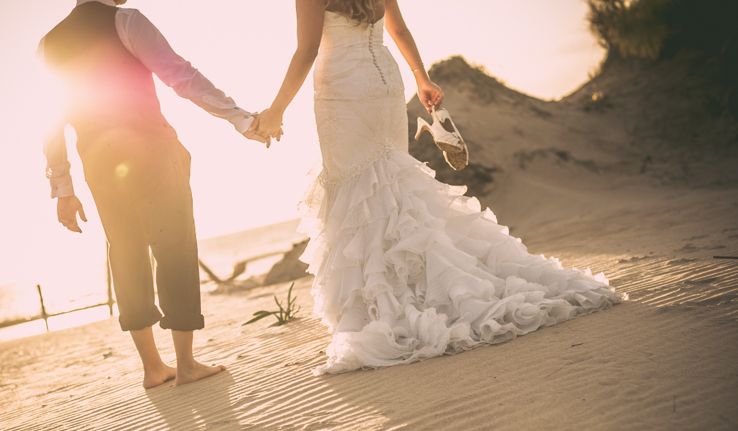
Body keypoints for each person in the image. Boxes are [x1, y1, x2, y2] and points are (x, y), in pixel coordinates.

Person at [249, 0, 626, 375]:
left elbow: (307, 50)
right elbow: (398, 29)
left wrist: (276, 110)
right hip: (385, 83)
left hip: (343, 89)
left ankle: (386, 299)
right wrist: (421, 77)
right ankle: (413, 284)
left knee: (361, 189)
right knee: (391, 184)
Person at [37, 0, 279, 387]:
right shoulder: (124, 20)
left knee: (125, 252)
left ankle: (152, 368)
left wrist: (63, 189)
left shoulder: (48, 45)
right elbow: (180, 76)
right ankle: (185, 365)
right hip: (152, 150)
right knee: (175, 248)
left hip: (99, 163)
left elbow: (51, 122)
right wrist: (238, 117)